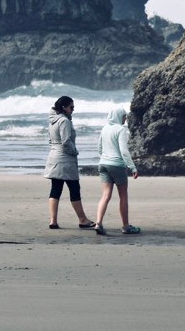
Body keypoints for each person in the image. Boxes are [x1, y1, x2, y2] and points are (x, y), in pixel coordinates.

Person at [43, 95, 96, 230]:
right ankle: (82, 219)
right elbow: (66, 141)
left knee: (56, 189)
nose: (73, 110)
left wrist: (56, 149)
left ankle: (53, 220)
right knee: (74, 189)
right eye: (71, 107)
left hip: (53, 157)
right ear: (64, 107)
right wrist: (75, 152)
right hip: (65, 160)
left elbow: (50, 140)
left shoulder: (52, 121)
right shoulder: (64, 121)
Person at [95, 107, 141, 235]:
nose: (125, 118)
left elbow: (99, 147)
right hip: (117, 165)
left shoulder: (104, 129)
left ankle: (98, 223)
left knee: (105, 195)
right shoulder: (121, 130)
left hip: (103, 164)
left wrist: (105, 157)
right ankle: (126, 226)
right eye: (124, 116)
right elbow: (124, 151)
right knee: (123, 196)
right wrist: (132, 167)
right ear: (118, 116)